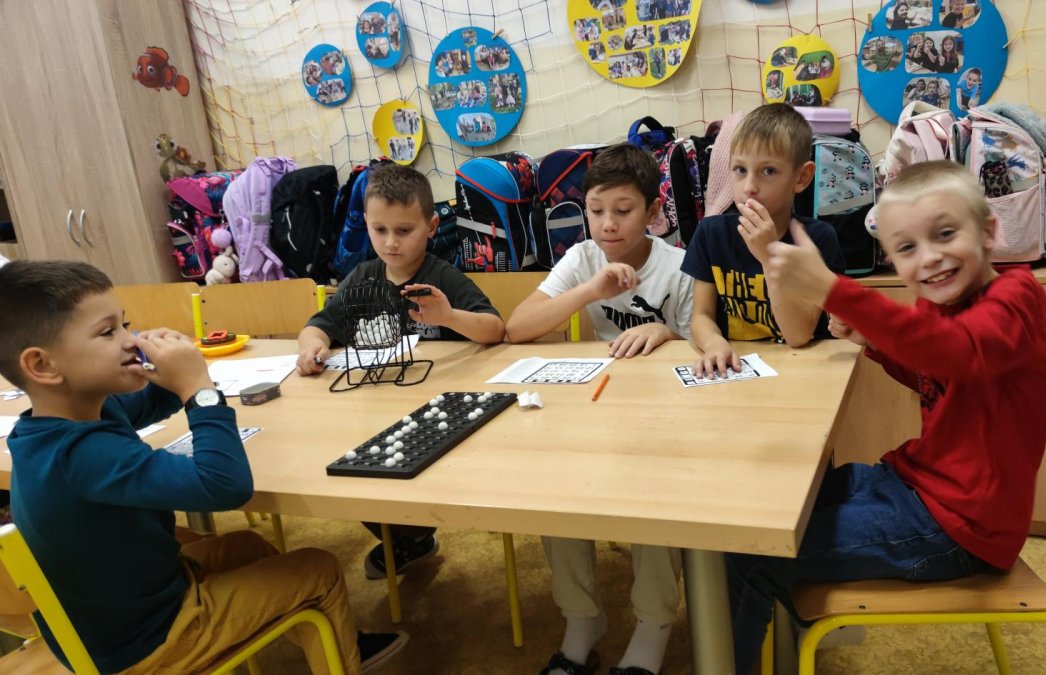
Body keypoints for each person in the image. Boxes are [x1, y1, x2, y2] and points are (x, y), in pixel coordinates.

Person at [724, 160, 1046, 674]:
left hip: (960, 528)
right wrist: (872, 339)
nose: (929, 258)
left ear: (990, 232)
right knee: (765, 511)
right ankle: (790, 629)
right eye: (906, 248)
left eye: (945, 234)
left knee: (753, 552)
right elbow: (938, 370)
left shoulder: (1017, 298)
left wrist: (833, 290)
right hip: (916, 487)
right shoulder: (941, 303)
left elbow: (957, 353)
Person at [0, 260, 406, 675]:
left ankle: (330, 640)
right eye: (108, 333)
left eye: (126, 325)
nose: (131, 340)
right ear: (42, 365)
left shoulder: (60, 420)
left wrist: (178, 370)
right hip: (148, 642)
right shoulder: (83, 455)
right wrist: (199, 389)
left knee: (247, 548)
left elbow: (151, 401)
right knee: (318, 570)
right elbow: (224, 484)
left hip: (124, 612)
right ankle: (343, 658)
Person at [506, 145, 692, 675]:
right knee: (557, 485)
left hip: (665, 414)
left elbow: (700, 343)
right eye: (596, 210)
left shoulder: (679, 266)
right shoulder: (584, 257)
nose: (608, 223)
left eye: (623, 210)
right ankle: (582, 618)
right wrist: (590, 288)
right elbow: (518, 328)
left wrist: (666, 332)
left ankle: (653, 624)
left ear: (652, 211)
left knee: (656, 494)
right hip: (602, 403)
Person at [297, 163, 505, 581]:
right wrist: (312, 346)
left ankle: (412, 534)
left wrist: (449, 316)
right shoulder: (362, 277)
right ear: (366, 224)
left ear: (431, 227)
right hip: (376, 407)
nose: (391, 243)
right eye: (380, 230)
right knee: (340, 463)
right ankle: (409, 537)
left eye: (404, 231)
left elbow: (495, 329)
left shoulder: (442, 276)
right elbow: (317, 325)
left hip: (436, 411)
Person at [682, 103, 845, 380]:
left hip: (804, 371)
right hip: (737, 371)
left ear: (801, 177)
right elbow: (701, 317)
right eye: (740, 169)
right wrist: (714, 344)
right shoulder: (710, 233)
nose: (749, 187)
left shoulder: (816, 240)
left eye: (768, 171)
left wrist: (769, 256)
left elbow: (798, 335)